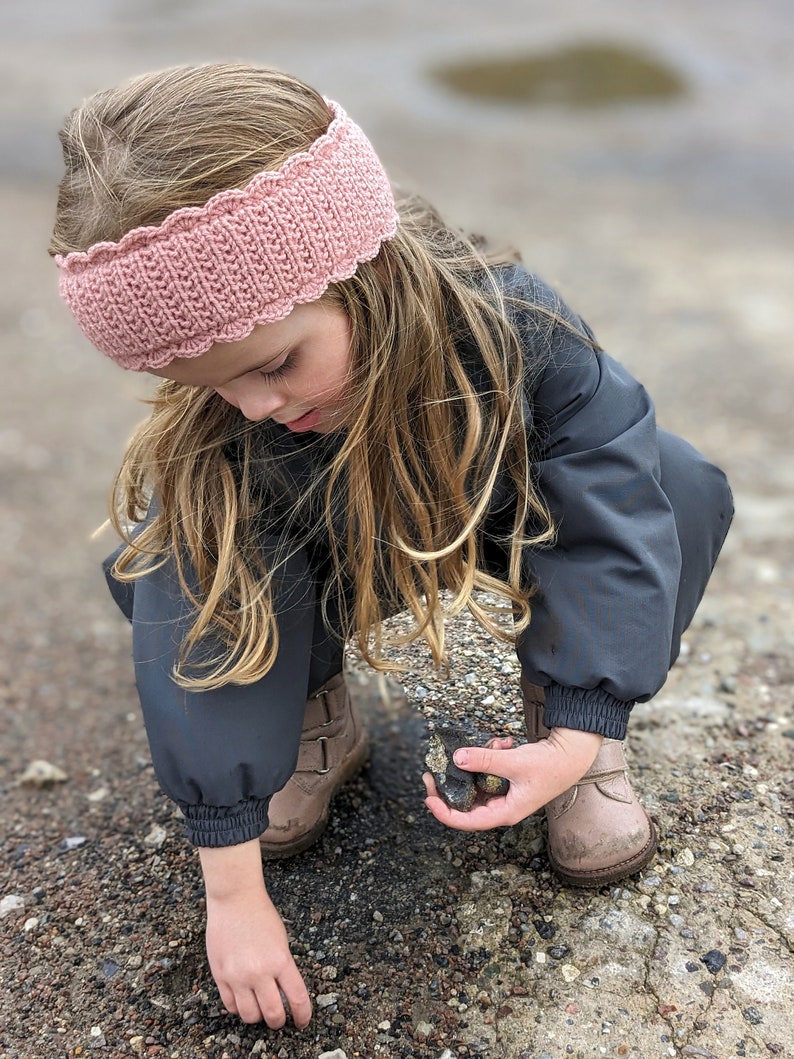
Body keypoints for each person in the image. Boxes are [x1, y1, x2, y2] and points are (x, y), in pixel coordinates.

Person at [49, 62, 733, 1029]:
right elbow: (196, 632)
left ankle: (576, 741)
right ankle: (313, 713)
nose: (255, 405)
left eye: (276, 363)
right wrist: (232, 894)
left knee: (674, 478)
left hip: (485, 511)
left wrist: (581, 726)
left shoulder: (515, 325)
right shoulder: (233, 434)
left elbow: (610, 503)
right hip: (322, 561)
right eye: (213, 384)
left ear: (364, 273)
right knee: (169, 546)